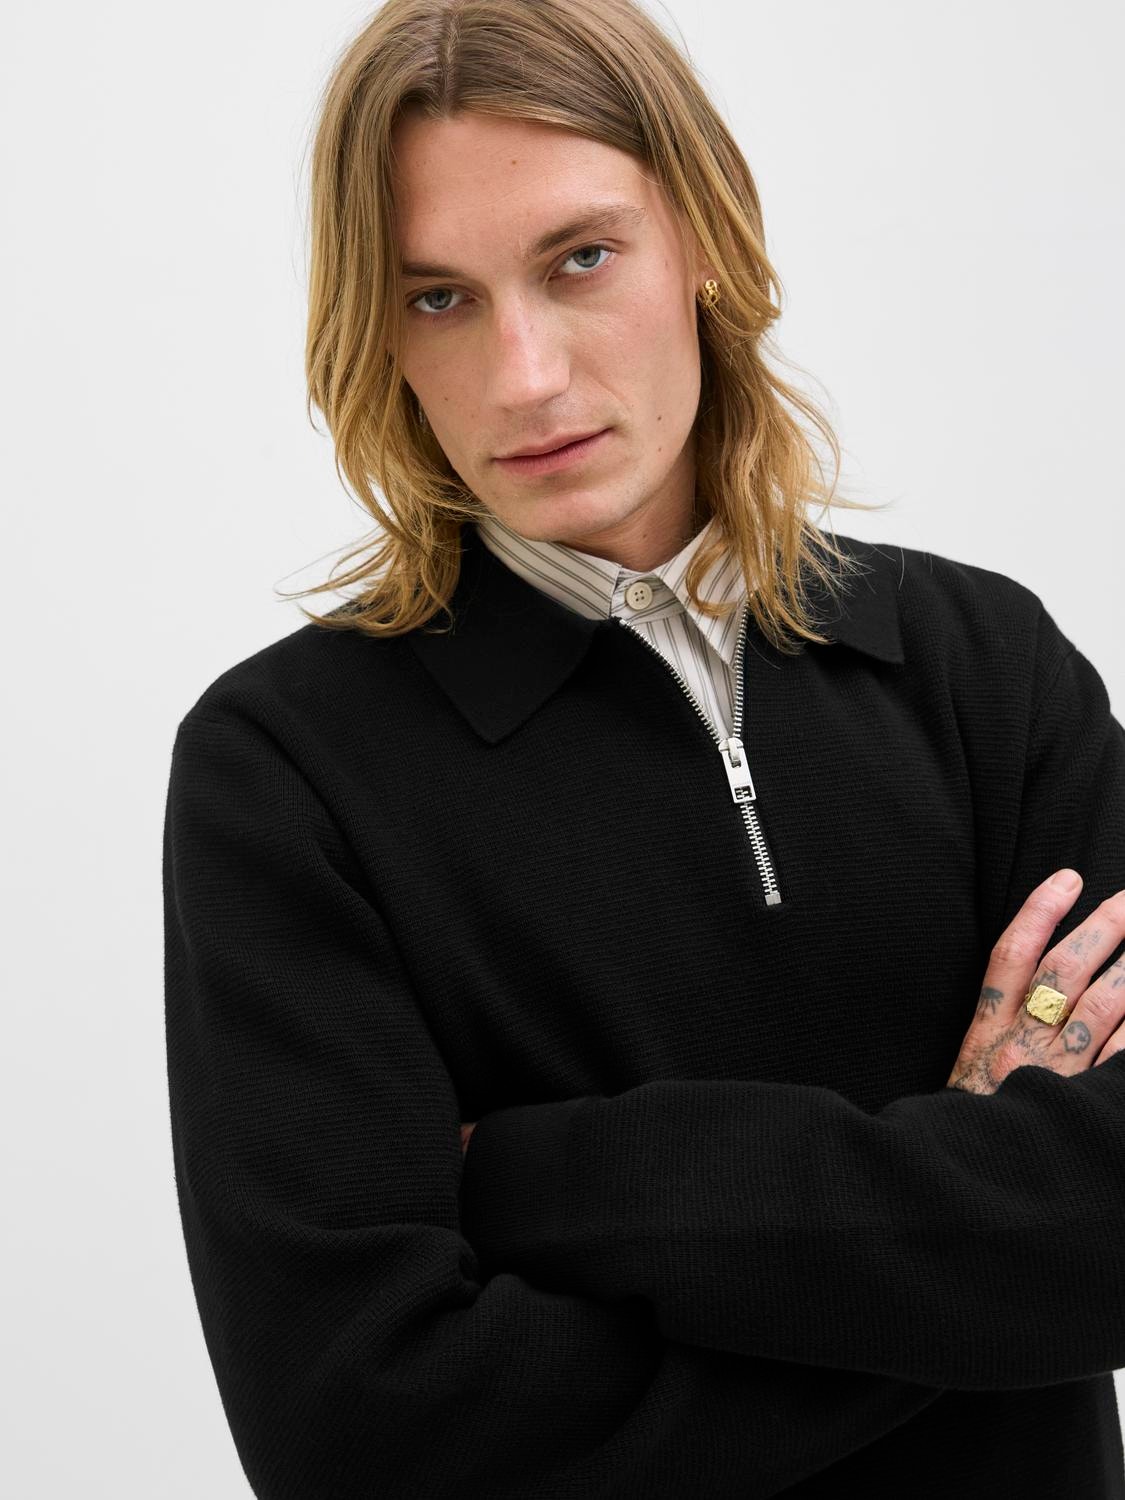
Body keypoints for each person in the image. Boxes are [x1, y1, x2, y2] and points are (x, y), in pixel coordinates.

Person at [161, 1, 1125, 1495]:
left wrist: (551, 1180)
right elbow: (365, 1435)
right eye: (438, 297)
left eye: (579, 259)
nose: (524, 375)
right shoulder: (285, 771)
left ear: (705, 242)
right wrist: (978, 1234)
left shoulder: (984, 670)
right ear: (378, 336)